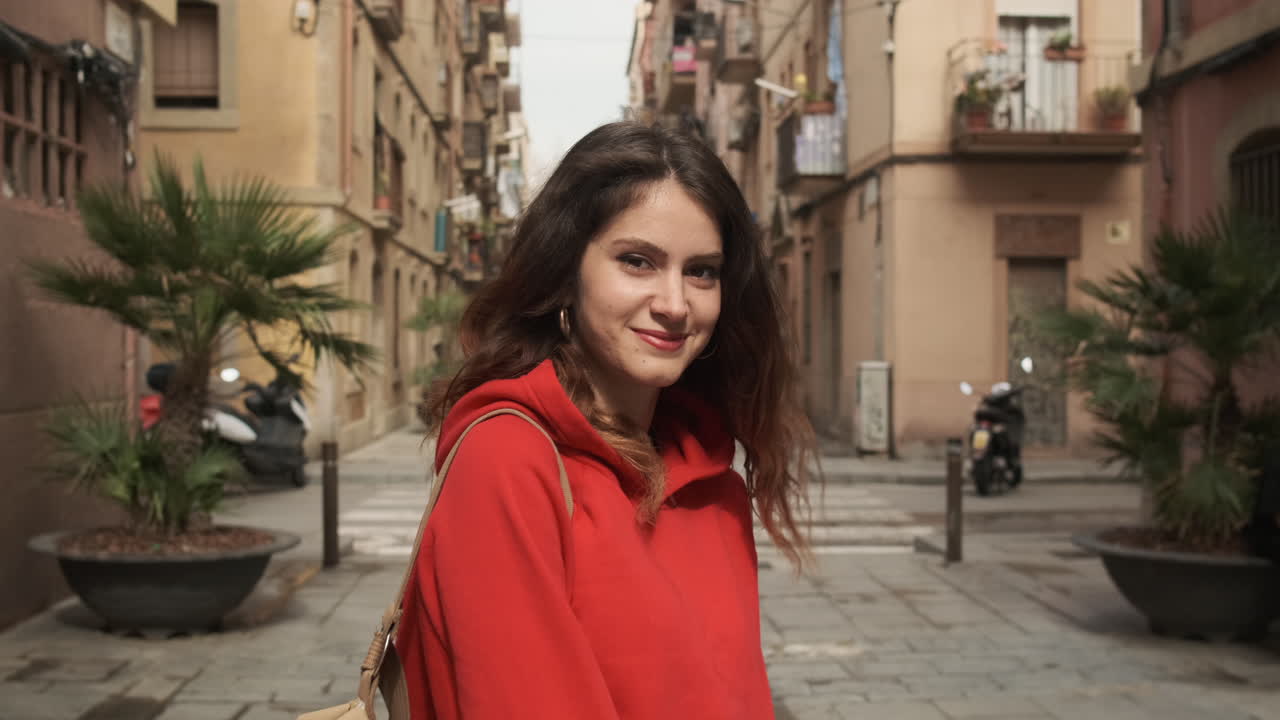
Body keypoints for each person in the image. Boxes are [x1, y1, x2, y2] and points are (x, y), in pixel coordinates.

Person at [394, 122, 817, 719]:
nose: (675, 304)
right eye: (638, 261)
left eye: (702, 271)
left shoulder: (713, 481)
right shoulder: (508, 460)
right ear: (567, 272)